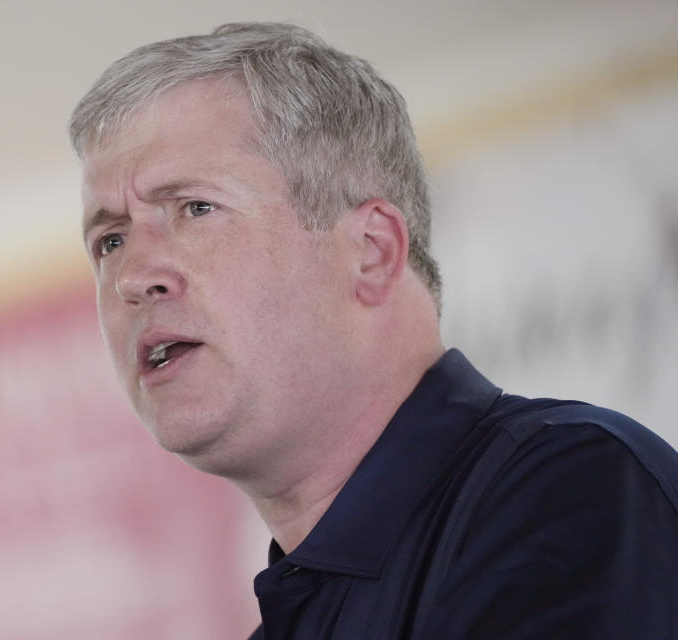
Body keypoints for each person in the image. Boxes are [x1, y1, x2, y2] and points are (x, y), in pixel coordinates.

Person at [70, 22, 678, 639]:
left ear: (371, 251)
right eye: (109, 240)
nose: (132, 276)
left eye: (196, 208)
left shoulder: (570, 494)